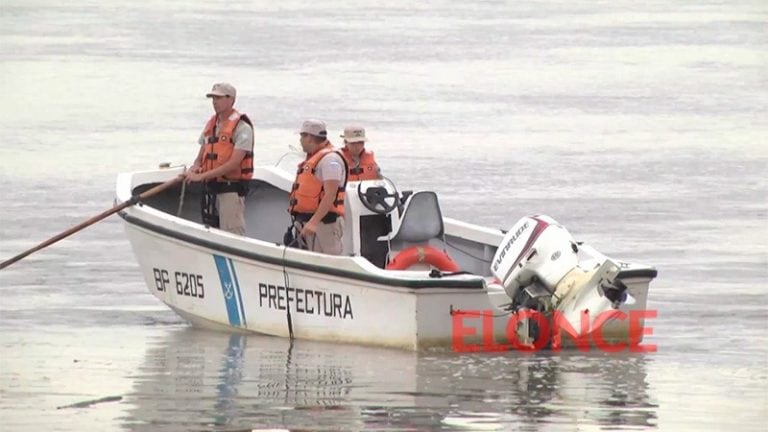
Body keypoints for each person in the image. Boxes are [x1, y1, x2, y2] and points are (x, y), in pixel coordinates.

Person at [185, 83, 254, 236]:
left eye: (219, 98)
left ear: (231, 100)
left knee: (232, 234)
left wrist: (201, 176)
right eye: (213, 98)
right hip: (211, 190)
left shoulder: (242, 128)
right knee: (212, 232)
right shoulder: (212, 125)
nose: (214, 102)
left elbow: (234, 163)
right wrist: (195, 167)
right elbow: (201, 154)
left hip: (230, 190)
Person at [287, 119, 348, 255]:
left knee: (327, 264)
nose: (300, 140)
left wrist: (314, 222)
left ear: (310, 137)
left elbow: (330, 195)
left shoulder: (330, 160)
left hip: (324, 225)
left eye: (302, 136)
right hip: (306, 223)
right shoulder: (315, 158)